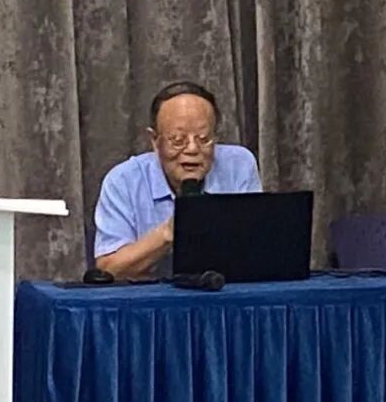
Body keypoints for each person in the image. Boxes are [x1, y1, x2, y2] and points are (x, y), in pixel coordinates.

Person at [93, 82, 262, 279]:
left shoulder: (239, 165)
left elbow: (256, 247)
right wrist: (169, 233)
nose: (192, 149)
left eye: (203, 139)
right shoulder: (123, 181)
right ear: (155, 140)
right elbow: (108, 270)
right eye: (178, 140)